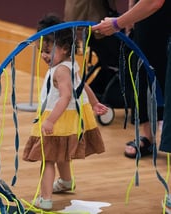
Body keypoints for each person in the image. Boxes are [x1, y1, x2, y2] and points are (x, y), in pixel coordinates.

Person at [22, 14, 108, 210]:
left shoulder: (60, 70)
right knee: (60, 153)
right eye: (41, 50)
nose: (43, 55)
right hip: (68, 118)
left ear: (65, 48)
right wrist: (94, 103)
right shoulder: (70, 65)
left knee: (47, 157)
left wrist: (50, 121)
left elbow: (66, 96)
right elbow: (82, 85)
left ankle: (45, 199)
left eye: (47, 51)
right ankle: (67, 182)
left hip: (58, 117)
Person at [92, 0, 171, 212]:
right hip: (145, 23)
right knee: (141, 74)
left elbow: (154, 1)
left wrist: (117, 23)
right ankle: (148, 136)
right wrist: (129, 17)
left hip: (161, 22)